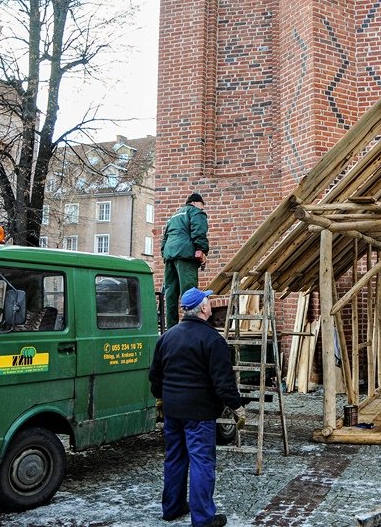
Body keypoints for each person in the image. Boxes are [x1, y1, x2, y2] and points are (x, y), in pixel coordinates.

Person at [149, 287, 246, 527]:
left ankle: (172, 508)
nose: (211, 304)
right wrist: (237, 408)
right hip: (199, 413)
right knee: (202, 462)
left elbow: (155, 375)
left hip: (173, 410)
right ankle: (202, 519)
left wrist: (160, 398)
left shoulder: (168, 337)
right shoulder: (213, 339)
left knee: (175, 458)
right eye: (208, 301)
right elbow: (223, 382)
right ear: (203, 308)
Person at [161, 192, 210, 329]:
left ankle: (171, 328)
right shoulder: (195, 212)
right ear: (195, 203)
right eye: (202, 206)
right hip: (186, 256)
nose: (202, 209)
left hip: (169, 256)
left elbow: (164, 238)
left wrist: (165, 254)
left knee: (171, 293)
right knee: (189, 292)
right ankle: (190, 328)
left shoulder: (174, 216)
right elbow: (199, 231)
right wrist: (201, 249)